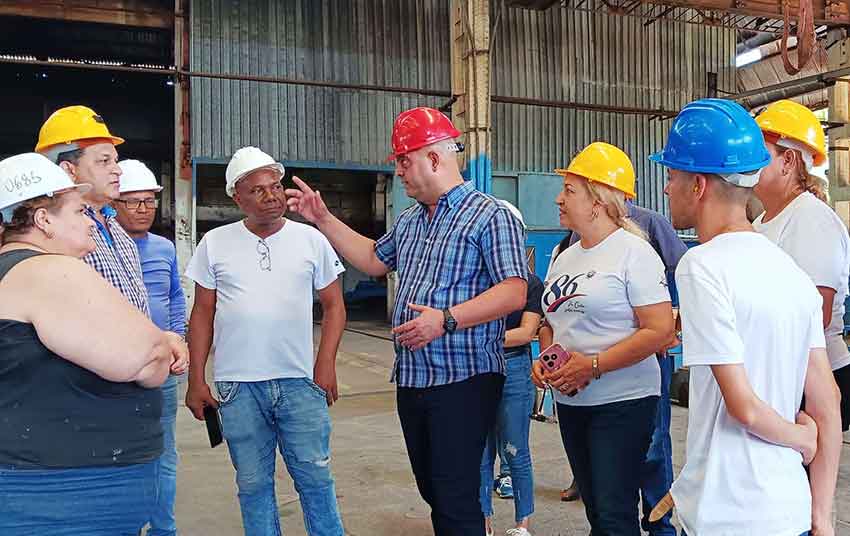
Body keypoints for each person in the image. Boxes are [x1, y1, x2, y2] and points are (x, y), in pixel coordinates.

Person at [285, 107, 527, 536]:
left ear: (434, 158)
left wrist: (446, 320)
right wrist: (321, 218)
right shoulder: (412, 220)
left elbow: (514, 291)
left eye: (403, 160)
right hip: (414, 379)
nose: (398, 171)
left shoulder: (491, 216)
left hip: (464, 379)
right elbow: (375, 260)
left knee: (455, 494)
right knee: (433, 488)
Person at [652, 98, 842, 536]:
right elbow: (826, 398)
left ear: (697, 185)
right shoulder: (790, 272)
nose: (666, 188)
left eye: (671, 176)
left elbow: (743, 408)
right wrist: (821, 518)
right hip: (787, 508)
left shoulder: (702, 266)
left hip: (728, 512)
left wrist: (802, 438)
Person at [0, 153, 181, 535]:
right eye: (80, 212)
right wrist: (160, 347)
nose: (90, 224)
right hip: (60, 498)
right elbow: (146, 360)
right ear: (43, 220)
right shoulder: (45, 269)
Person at [184, 146, 347, 536]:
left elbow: (334, 305)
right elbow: (202, 312)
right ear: (236, 197)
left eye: (275, 186)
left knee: (315, 480)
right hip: (237, 388)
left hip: (299, 384)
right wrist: (196, 379)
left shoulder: (311, 240)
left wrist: (324, 363)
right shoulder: (215, 243)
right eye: (257, 190)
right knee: (253, 485)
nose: (271, 195)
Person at [531, 141, 674, 535]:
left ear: (597, 200)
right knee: (596, 508)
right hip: (572, 401)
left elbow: (659, 329)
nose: (559, 199)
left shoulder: (634, 253)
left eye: (570, 190)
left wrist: (592, 366)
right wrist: (547, 359)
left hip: (623, 402)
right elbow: (550, 321)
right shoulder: (565, 255)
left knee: (614, 515)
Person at [752, 99, 850, 435]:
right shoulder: (760, 222)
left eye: (760, 151)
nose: (749, 161)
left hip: (811, 375)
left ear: (789, 160)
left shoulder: (810, 218)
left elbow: (816, 314)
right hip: (779, 371)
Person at [114, 159, 187, 536]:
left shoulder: (164, 248)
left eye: (150, 201)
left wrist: (179, 338)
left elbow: (175, 297)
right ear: (114, 204)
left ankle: (163, 530)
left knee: (164, 454)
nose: (144, 209)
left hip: (162, 370)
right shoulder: (99, 249)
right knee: (120, 452)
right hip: (115, 369)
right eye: (134, 202)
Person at [480, 200, 542, 536]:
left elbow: (526, 332)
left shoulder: (531, 283)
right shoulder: (478, 281)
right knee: (479, 452)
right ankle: (483, 523)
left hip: (514, 371)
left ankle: (522, 524)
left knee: (515, 448)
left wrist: (480, 335)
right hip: (478, 369)